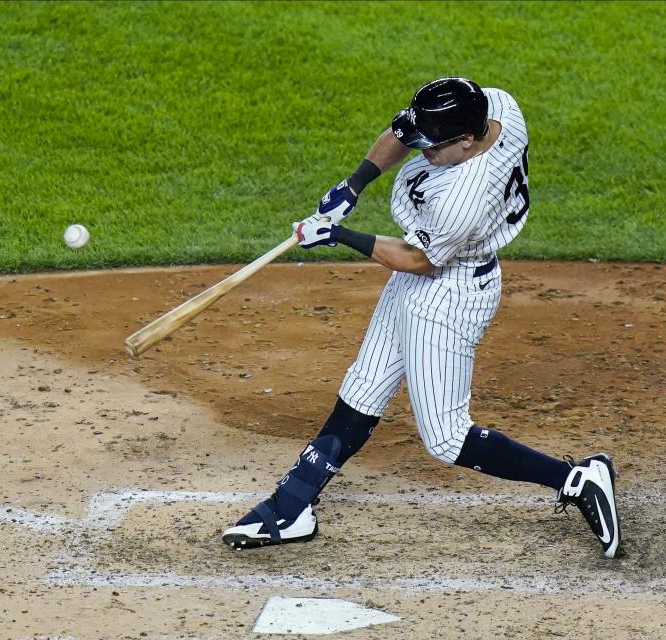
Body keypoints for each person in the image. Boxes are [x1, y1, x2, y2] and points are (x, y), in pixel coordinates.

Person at [222, 77, 622, 559]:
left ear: (468, 140)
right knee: (363, 387)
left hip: (449, 292)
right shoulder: (498, 107)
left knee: (447, 437)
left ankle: (578, 479)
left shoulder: (466, 199)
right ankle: (292, 505)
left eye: (433, 146)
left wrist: (339, 235)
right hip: (424, 274)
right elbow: (402, 131)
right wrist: (355, 182)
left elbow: (418, 259)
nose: (423, 151)